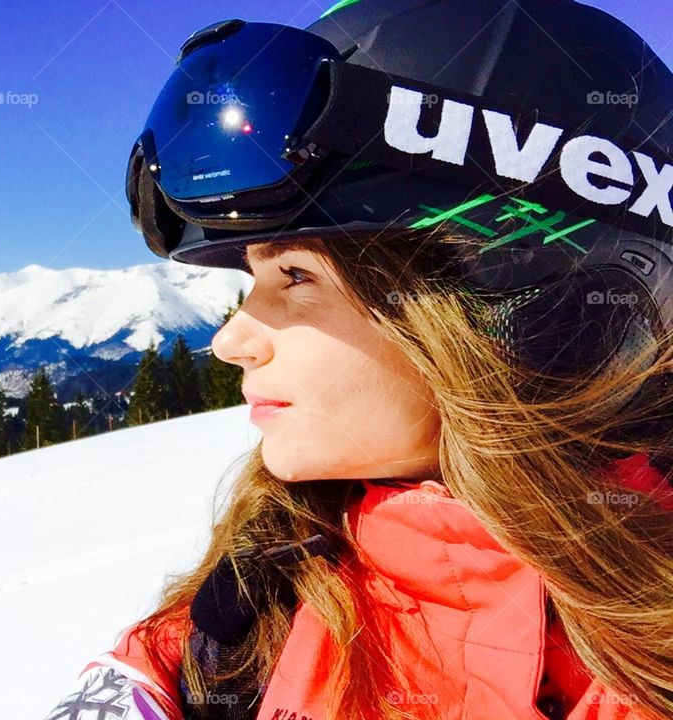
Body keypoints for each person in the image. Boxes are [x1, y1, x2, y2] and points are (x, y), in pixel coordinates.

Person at [44, 1, 673, 718]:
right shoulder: (241, 623)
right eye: (254, 280)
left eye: (296, 278)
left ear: (523, 311)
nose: (230, 341)